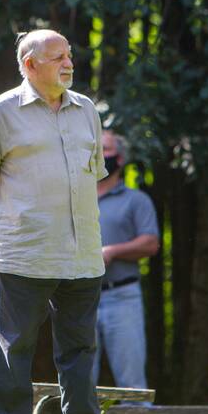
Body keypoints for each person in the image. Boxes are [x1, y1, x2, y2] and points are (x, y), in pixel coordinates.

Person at [0, 29, 107, 414]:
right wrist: (9, 233)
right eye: (56, 57)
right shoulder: (1, 112)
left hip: (82, 251)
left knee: (80, 348)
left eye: (69, 56)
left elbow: (92, 175)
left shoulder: (86, 110)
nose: (68, 64)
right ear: (29, 66)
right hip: (22, 252)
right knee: (16, 345)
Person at [93, 131, 160, 394]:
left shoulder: (136, 200)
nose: (98, 156)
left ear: (119, 159)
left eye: (105, 150)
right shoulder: (75, 199)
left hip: (122, 295)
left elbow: (151, 243)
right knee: (79, 374)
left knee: (131, 377)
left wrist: (111, 251)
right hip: (80, 297)